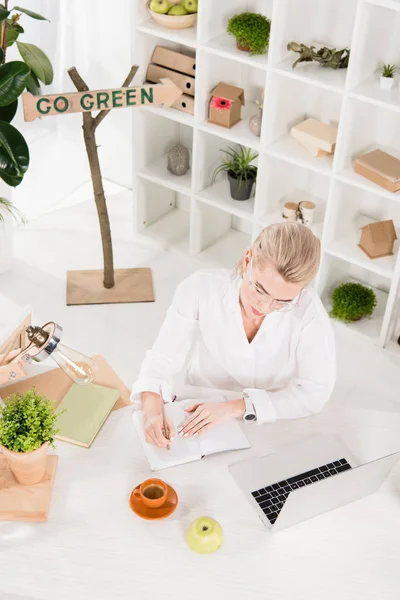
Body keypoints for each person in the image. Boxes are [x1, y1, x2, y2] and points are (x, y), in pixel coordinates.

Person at [131, 222, 335, 448]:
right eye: (259, 289)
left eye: (281, 302)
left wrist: (237, 407)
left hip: (270, 412)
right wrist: (151, 409)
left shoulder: (308, 311)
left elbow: (315, 393)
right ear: (248, 259)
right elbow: (163, 357)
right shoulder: (200, 288)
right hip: (200, 401)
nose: (264, 306)